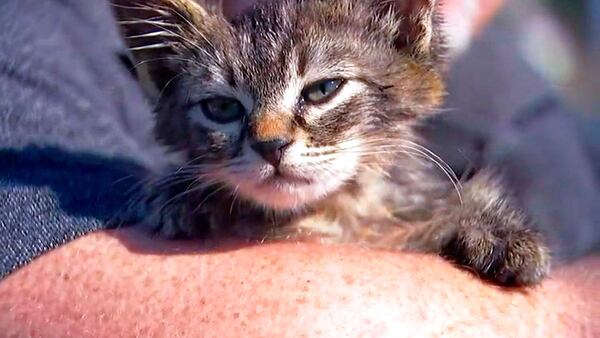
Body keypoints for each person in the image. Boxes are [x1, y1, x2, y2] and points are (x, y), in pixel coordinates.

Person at [0, 0, 597, 336]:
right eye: (222, 108)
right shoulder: (36, 35)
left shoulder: (518, 100)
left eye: (322, 91)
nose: (271, 139)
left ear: (406, 30)